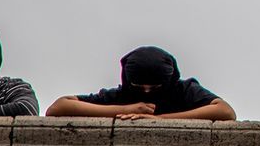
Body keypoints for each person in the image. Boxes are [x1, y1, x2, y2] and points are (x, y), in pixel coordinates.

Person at [45, 46, 236, 120]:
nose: (146, 91)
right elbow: (57, 107)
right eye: (139, 86)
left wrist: (160, 120)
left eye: (154, 87)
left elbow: (225, 111)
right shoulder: (120, 96)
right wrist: (125, 110)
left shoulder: (183, 91)